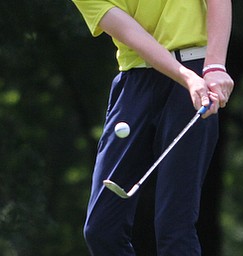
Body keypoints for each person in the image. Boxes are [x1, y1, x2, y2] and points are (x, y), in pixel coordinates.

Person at [72, 0, 234, 255]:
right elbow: (129, 32)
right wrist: (185, 77)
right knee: (101, 229)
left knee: (174, 228)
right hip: (137, 82)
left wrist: (214, 65)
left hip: (197, 66)